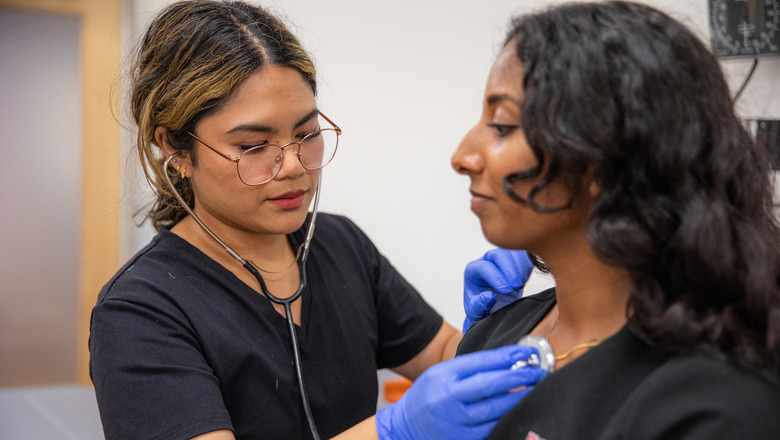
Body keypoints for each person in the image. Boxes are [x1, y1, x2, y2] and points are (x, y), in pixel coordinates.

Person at [88, 1, 544, 439]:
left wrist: (490, 335)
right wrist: (394, 430)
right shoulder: (139, 311)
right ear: (176, 148)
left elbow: (443, 357)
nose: (293, 166)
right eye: (252, 146)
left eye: (307, 134)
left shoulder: (341, 244)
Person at [451, 1, 780, 438]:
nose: (463, 157)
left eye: (504, 125)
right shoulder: (489, 340)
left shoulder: (715, 401)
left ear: (602, 161)